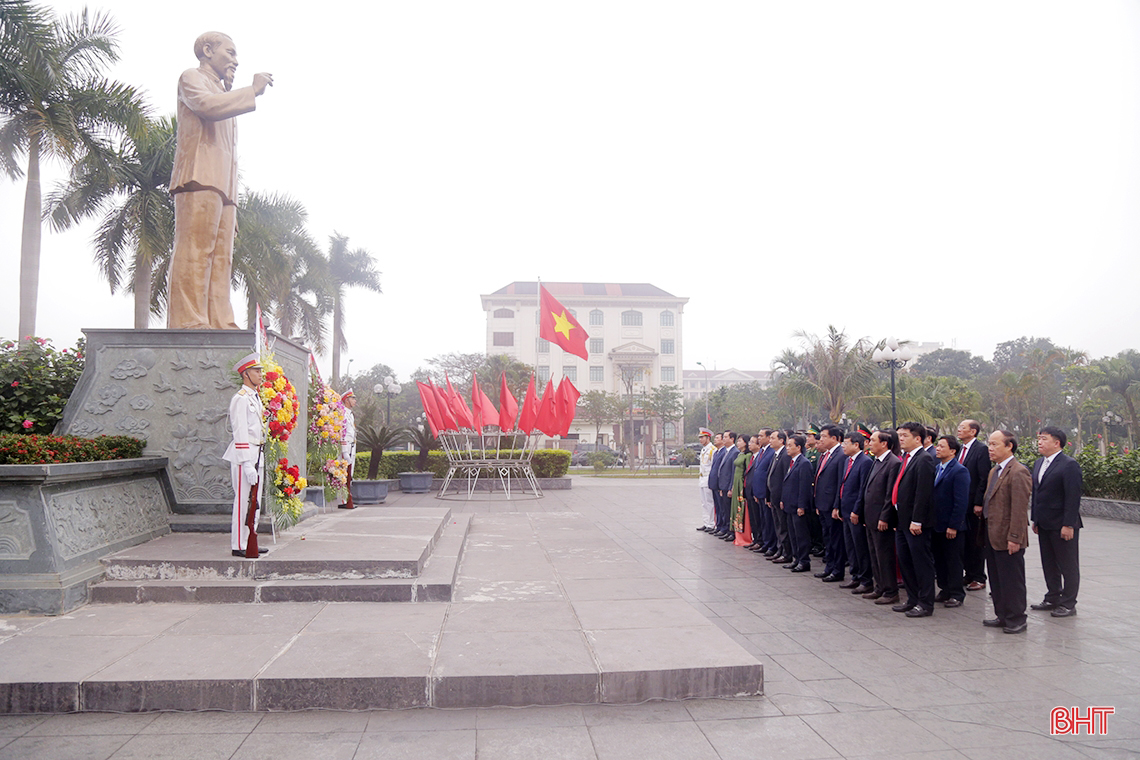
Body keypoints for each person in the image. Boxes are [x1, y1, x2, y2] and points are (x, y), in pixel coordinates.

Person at [168, 32, 273, 329]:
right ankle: (188, 320)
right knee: (195, 249)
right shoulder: (191, 78)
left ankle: (220, 321)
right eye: (230, 53)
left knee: (221, 258)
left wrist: (232, 196)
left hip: (224, 186)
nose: (235, 61)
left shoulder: (223, 94)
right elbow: (206, 107)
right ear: (207, 50)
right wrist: (250, 90)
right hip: (199, 176)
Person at [1030, 426, 1083, 618]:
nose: (1040, 442)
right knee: (1049, 562)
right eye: (1039, 438)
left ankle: (1068, 602)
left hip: (1062, 523)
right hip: (1044, 522)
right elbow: (1037, 493)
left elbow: (1073, 497)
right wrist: (1035, 518)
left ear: (1057, 442)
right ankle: (1052, 596)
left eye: (1044, 439)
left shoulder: (1069, 465)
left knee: (1068, 565)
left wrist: (1068, 524)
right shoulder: (1038, 464)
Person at [982, 430, 1032, 634]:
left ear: (1009, 446)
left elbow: (1019, 509)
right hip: (991, 534)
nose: (990, 449)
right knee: (997, 578)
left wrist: (1015, 538)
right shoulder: (995, 471)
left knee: (1012, 579)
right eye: (989, 445)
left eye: (995, 444)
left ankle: (1017, 618)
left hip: (1008, 536)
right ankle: (1002, 614)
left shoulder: (1018, 471)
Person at [222, 353, 268, 557]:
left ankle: (251, 538)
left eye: (260, 370)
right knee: (242, 500)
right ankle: (238, 544)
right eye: (257, 371)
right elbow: (239, 430)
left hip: (257, 451)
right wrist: (246, 463)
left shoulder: (255, 398)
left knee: (255, 500)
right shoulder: (240, 399)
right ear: (246, 374)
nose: (260, 374)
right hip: (245, 454)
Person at [892, 421, 937, 617]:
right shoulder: (906, 457)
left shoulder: (924, 459)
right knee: (905, 561)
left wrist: (917, 520)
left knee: (921, 562)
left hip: (915, 522)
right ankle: (912, 599)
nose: (900, 439)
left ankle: (926, 603)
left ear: (917, 438)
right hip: (902, 520)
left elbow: (923, 493)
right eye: (899, 435)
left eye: (905, 435)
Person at [931, 435, 971, 608]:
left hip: (951, 525)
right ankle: (944, 589)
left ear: (952, 451)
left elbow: (961, 501)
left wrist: (954, 525)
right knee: (939, 559)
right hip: (936, 524)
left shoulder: (960, 470)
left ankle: (956, 593)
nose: (937, 449)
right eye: (937, 446)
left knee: (953, 560)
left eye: (941, 446)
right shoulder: (937, 468)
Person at [862, 429, 901, 603]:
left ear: (884, 443)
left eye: (872, 440)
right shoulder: (876, 461)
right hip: (870, 516)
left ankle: (890, 591)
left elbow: (889, 494)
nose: (869, 443)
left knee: (884, 556)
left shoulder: (893, 463)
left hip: (881, 518)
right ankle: (879, 586)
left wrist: (885, 517)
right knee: (874, 554)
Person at [956, 419, 991, 591]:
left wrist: (979, 502)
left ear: (973, 431)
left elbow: (983, 478)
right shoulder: (960, 450)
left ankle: (979, 576)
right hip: (961, 503)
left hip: (973, 504)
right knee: (964, 542)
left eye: (963, 428)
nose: (959, 430)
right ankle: (968, 574)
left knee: (975, 542)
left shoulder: (981, 450)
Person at [837, 430, 873, 593]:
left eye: (846, 443)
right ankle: (855, 575)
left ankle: (865, 579)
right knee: (850, 546)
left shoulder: (865, 462)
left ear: (856, 445)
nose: (843, 446)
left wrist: (856, 510)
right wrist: (838, 506)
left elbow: (862, 489)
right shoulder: (847, 461)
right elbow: (843, 485)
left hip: (855, 512)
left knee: (860, 547)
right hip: (845, 509)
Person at [813, 425, 847, 582]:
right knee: (827, 538)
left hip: (832, 505)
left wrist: (836, 506)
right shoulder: (824, 455)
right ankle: (829, 567)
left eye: (824, 436)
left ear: (834, 438)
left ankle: (837, 570)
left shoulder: (841, 455)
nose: (821, 439)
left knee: (835, 539)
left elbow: (840, 483)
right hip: (822, 503)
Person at [782, 434, 814, 572]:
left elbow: (804, 486)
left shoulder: (804, 463)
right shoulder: (792, 462)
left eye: (790, 445)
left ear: (799, 447)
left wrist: (802, 505)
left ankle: (804, 560)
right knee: (793, 534)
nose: (787, 448)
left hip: (798, 505)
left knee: (801, 535)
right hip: (789, 504)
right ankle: (796, 558)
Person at [766, 430, 793, 564]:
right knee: (778, 526)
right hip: (774, 497)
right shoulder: (776, 454)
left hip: (781, 498)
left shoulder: (785, 455)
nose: (770, 440)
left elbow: (785, 479)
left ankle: (787, 552)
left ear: (781, 440)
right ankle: (780, 549)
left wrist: (783, 498)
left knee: (783, 527)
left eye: (773, 438)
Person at [713, 431, 739, 540]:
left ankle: (731, 531)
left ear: (732, 439)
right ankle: (726, 529)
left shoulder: (734, 452)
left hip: (728, 486)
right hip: (722, 486)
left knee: (729, 510)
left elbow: (733, 472)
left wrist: (730, 487)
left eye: (726, 437)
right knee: (724, 509)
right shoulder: (726, 452)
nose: (724, 439)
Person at [730, 435, 751, 545]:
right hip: (736, 483)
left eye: (740, 441)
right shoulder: (740, 454)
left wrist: (744, 486)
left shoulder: (748, 455)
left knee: (741, 509)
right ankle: (737, 535)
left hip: (741, 484)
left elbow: (747, 472)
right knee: (735, 508)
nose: (738, 443)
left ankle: (744, 537)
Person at [339, 389, 358, 509]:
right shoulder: (342, 414)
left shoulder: (350, 413)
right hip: (346, 447)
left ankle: (347, 499)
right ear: (346, 400)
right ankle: (344, 500)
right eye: (352, 398)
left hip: (352, 445)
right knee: (343, 474)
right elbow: (342, 432)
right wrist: (344, 451)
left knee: (349, 474)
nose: (355, 401)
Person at [696, 428, 716, 532]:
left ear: (708, 438)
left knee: (709, 502)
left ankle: (711, 524)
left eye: (702, 437)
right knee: (703, 502)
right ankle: (706, 522)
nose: (700, 440)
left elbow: (713, 466)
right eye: (699, 438)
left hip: (708, 479)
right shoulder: (703, 449)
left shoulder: (713, 449)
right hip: (702, 479)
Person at [708, 434, 727, 537]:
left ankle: (724, 527)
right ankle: (719, 525)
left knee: (722, 508)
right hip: (714, 484)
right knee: (718, 507)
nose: (715, 440)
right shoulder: (716, 452)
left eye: (717, 438)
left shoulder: (724, 452)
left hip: (720, 484)